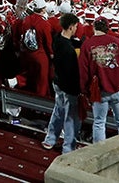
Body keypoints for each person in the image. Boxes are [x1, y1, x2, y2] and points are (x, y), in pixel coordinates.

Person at [79, 17, 119, 143]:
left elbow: (83, 73)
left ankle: (100, 154)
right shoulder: (117, 41)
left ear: (94, 27)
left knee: (99, 123)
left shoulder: (87, 45)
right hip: (118, 90)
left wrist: (85, 91)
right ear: (107, 28)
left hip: (99, 92)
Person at [43, 12, 81, 153]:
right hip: (68, 86)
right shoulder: (69, 51)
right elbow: (72, 72)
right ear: (71, 27)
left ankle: (50, 139)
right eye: (75, 26)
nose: (76, 29)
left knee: (58, 111)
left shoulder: (57, 39)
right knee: (71, 118)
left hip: (57, 82)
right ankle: (68, 147)